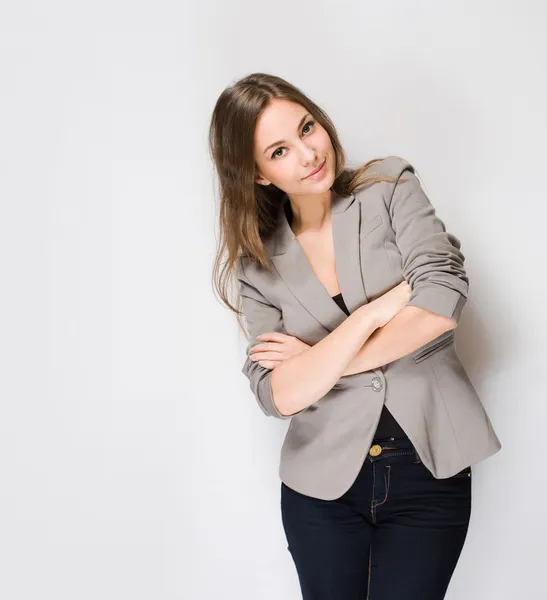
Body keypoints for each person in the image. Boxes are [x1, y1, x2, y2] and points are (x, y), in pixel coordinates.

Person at [209, 72, 502, 600]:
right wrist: (368, 318)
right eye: (280, 150)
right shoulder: (255, 268)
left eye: (307, 128)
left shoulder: (389, 188)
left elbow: (439, 303)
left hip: (427, 470)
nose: (308, 153)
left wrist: (319, 362)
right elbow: (278, 394)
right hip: (320, 490)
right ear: (257, 174)